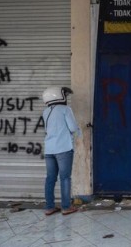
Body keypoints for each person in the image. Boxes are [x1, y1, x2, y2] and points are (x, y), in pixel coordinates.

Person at [41, 86, 81, 216]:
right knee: (65, 178)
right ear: (59, 96)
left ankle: (49, 207)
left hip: (49, 149)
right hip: (63, 148)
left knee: (50, 178)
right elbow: (73, 127)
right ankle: (66, 207)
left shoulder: (45, 112)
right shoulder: (66, 109)